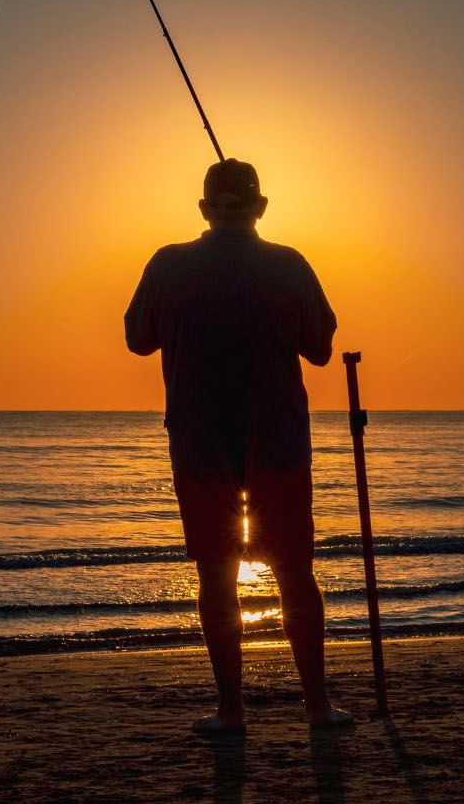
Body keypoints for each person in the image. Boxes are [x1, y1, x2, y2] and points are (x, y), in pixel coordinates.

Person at [124, 158, 351, 734]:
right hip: (275, 439)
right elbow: (322, 348)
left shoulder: (168, 264)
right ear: (261, 208)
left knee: (218, 574)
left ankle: (232, 712)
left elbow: (136, 339)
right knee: (293, 571)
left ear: (205, 209)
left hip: (202, 440)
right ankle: (317, 707)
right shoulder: (288, 264)